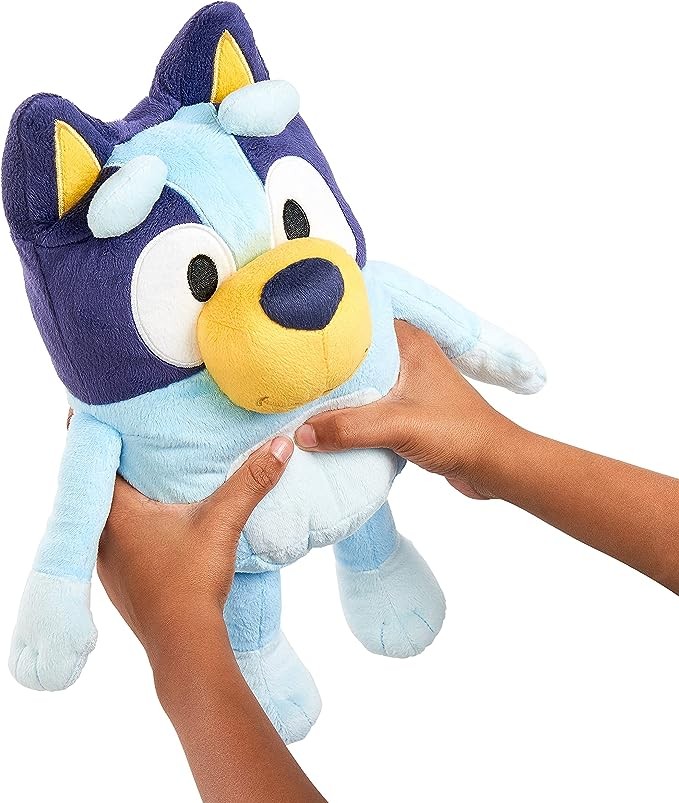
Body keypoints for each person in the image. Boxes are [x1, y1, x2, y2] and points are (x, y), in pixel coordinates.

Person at [97, 321, 679, 802]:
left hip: (335, 478)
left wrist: (180, 641)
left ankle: (368, 575)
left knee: (361, 515)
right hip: (291, 472)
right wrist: (499, 450)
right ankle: (264, 652)